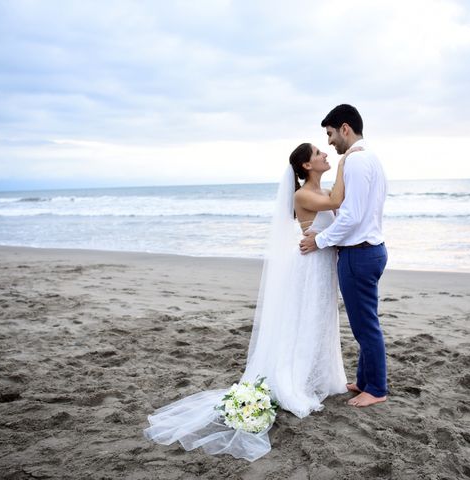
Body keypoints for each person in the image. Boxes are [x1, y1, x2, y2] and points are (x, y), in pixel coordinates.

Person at [144, 142, 358, 461]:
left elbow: (338, 215)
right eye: (318, 153)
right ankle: (295, 378)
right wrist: (346, 162)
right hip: (310, 267)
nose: (325, 154)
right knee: (306, 321)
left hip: (323, 265)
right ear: (305, 166)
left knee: (321, 321)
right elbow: (338, 201)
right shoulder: (303, 195)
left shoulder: (322, 190)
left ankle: (320, 375)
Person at [300, 104, 389, 408]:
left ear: (345, 129)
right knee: (366, 321)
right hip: (371, 250)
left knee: (365, 326)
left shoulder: (355, 162)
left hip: (358, 254)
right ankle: (365, 381)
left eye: (330, 133)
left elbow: (350, 217)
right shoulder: (370, 159)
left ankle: (376, 388)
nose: (329, 142)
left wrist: (320, 241)